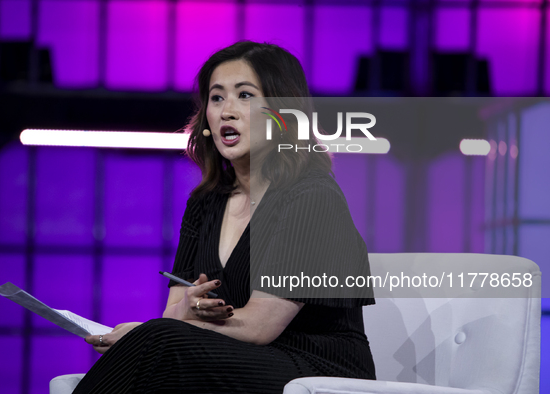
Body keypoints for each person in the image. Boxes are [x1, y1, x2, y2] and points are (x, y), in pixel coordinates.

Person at [74, 41, 375, 394]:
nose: (226, 111)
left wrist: (147, 332)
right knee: (158, 352)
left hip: (316, 368)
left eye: (245, 96)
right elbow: (174, 312)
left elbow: (260, 326)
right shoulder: (205, 203)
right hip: (236, 356)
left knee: (160, 346)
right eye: (216, 98)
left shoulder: (311, 196)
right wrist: (184, 308)